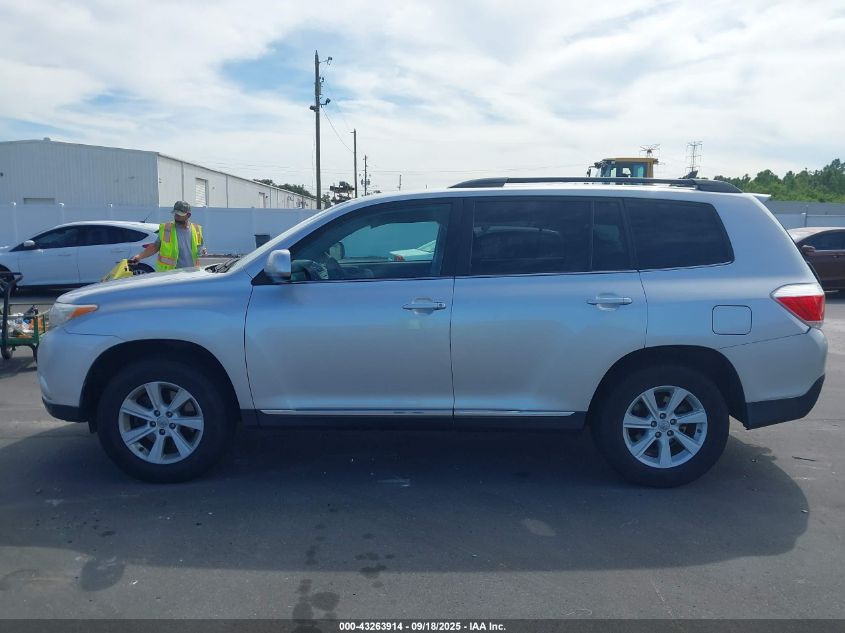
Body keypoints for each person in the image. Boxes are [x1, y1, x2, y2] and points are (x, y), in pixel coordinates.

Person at [130, 201, 206, 271]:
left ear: (188, 215)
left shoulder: (196, 229)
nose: (176, 217)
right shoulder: (167, 229)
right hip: (170, 273)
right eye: (175, 214)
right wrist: (139, 256)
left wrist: (202, 251)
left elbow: (200, 249)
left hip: (192, 272)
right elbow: (155, 246)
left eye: (179, 214)